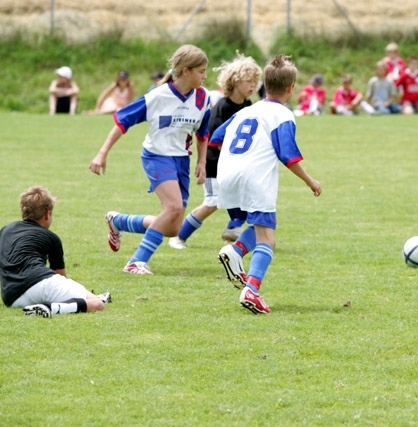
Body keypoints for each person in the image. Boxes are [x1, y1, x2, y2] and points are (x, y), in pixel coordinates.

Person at [213, 54, 322, 314]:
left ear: (265, 84)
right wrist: (310, 180)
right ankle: (251, 289)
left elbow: (216, 137)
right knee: (268, 239)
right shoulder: (282, 114)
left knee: (262, 225)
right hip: (254, 179)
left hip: (226, 175)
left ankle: (236, 251)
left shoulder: (246, 111)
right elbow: (288, 155)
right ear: (291, 88)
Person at [88, 44, 211, 274]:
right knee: (173, 207)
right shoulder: (157, 96)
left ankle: (119, 221)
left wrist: (202, 162)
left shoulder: (203, 98)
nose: (205, 76)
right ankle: (136, 262)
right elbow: (122, 121)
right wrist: (102, 153)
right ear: (185, 71)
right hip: (156, 156)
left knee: (173, 228)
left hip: (181, 160)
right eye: (201, 71)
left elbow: (203, 134)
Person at [169, 52, 262, 250]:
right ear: (235, 81)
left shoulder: (248, 105)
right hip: (214, 164)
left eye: (255, 81)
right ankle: (178, 237)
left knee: (245, 197)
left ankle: (233, 228)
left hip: (234, 165)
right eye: (248, 81)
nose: (253, 85)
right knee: (212, 202)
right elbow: (214, 138)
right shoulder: (222, 107)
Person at [0, 186, 111, 318]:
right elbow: (60, 276)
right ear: (47, 214)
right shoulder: (51, 237)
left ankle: (77, 298)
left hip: (12, 298)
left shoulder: (5, 231)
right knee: (97, 304)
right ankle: (50, 308)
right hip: (40, 283)